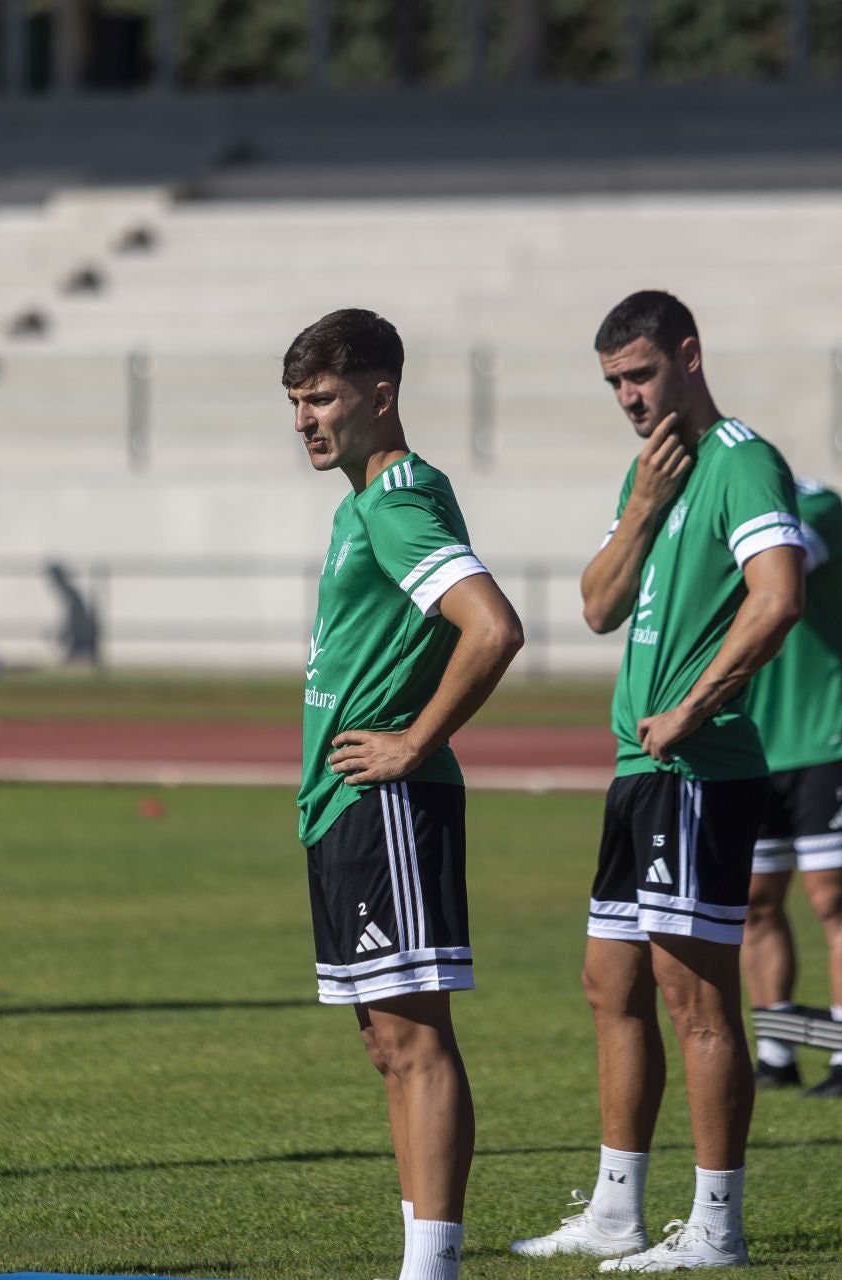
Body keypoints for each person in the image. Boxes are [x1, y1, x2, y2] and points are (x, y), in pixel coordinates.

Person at [513, 291, 804, 1271]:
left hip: (696, 763)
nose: (630, 398)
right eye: (614, 384)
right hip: (638, 766)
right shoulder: (655, 474)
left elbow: (779, 599)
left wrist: (695, 705)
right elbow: (597, 605)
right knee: (611, 983)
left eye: (640, 374)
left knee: (698, 998)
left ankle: (717, 1226)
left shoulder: (742, 461)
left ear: (688, 354)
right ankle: (616, 1209)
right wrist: (639, 509)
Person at [287, 309, 524, 1280]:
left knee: (415, 1037)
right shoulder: (364, 503)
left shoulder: (394, 500)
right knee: (386, 1040)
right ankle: (417, 1254)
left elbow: (493, 627)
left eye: (324, 398)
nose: (306, 419)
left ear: (380, 394)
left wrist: (416, 739)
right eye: (297, 402)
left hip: (389, 804)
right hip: (342, 806)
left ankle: (433, 1267)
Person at [741, 478, 842, 1099]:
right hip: (753, 740)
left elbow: (776, 571)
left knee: (834, 900)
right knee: (756, 901)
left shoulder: (820, 505)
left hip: (826, 735)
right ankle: (777, 1054)